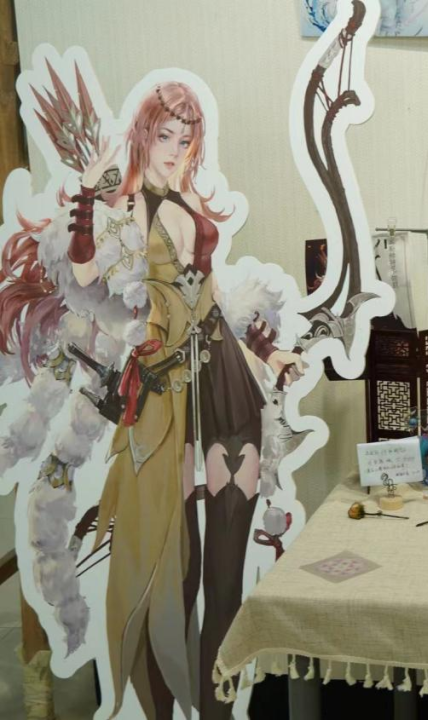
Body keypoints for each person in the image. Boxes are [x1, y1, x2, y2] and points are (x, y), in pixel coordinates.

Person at [30, 81, 302, 719]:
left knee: (226, 579)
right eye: (164, 136)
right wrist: (87, 198)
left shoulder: (190, 200)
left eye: (185, 138)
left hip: (227, 386)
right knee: (172, 573)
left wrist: (268, 351)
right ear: (143, 136)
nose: (175, 149)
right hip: (168, 399)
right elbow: (86, 271)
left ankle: (216, 710)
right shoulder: (125, 212)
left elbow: (215, 297)